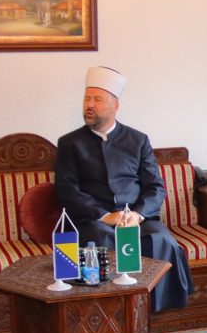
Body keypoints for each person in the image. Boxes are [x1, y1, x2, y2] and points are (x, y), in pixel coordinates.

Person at [55, 66, 193, 311]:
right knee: (100, 240)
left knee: (161, 240)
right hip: (94, 219)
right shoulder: (69, 143)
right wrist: (105, 215)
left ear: (115, 105)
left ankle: (153, 311)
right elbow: (66, 189)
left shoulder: (138, 140)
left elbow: (155, 187)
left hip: (136, 218)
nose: (90, 105)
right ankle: (107, 312)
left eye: (98, 99)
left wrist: (137, 214)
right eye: (87, 99)